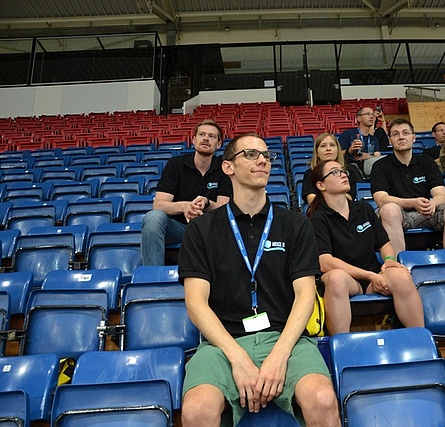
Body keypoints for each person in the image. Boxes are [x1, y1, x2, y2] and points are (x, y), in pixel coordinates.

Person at [178, 133, 340, 426]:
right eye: (251, 154)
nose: (263, 160)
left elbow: (305, 295)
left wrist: (280, 355)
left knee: (322, 399)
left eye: (266, 155)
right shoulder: (200, 229)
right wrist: (238, 359)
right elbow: (195, 303)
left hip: (285, 338)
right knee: (196, 409)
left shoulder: (296, 224)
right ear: (228, 167)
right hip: (223, 344)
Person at [308, 159, 424, 335]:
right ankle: (342, 348)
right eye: (334, 172)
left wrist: (390, 260)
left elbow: (384, 244)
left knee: (401, 275)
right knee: (335, 278)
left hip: (372, 275)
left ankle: (421, 341)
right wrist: (370, 276)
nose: (343, 175)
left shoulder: (363, 209)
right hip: (348, 280)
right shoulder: (318, 218)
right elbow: (325, 262)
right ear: (321, 185)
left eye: (343, 171)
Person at [141, 119, 232, 266]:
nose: (206, 139)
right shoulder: (176, 164)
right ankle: (152, 277)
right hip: (180, 228)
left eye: (211, 136)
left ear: (219, 144)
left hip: (211, 230)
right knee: (153, 217)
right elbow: (159, 205)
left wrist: (207, 203)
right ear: (194, 140)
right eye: (201, 134)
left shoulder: (225, 169)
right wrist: (184, 206)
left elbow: (225, 208)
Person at [370, 118, 445, 254]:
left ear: (413, 138)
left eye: (405, 133)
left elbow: (441, 195)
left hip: (425, 213)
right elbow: (381, 199)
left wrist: (433, 203)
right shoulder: (380, 166)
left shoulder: (427, 163)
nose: (401, 137)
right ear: (390, 140)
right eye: (396, 134)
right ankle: (396, 269)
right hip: (397, 215)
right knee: (389, 210)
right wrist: (413, 203)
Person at [301, 133, 363, 206]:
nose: (328, 149)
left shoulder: (349, 171)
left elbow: (349, 198)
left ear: (338, 149)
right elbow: (312, 200)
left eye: (332, 145)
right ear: (317, 152)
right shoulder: (310, 174)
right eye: (323, 146)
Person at [338, 106, 384, 177]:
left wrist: (369, 156)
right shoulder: (347, 134)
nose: (371, 117)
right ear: (359, 118)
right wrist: (350, 150)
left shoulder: (374, 139)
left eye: (372, 114)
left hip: (370, 165)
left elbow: (377, 156)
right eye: (368, 114)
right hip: (352, 165)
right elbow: (338, 154)